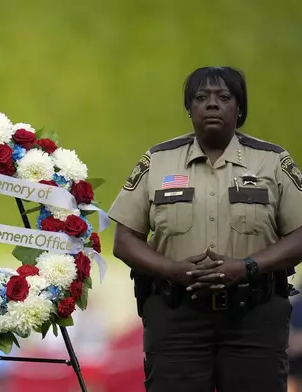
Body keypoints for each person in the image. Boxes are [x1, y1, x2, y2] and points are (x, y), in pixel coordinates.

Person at [108, 66, 302, 392]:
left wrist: (247, 267)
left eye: (224, 97)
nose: (212, 104)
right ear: (189, 108)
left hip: (254, 319)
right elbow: (125, 241)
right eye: (201, 98)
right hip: (176, 320)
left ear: (239, 109)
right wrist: (172, 270)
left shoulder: (273, 162)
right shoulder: (157, 161)